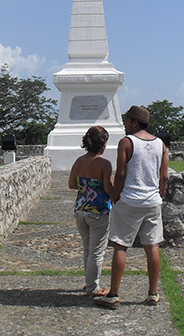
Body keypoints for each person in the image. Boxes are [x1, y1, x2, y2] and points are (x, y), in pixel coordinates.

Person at [94, 106, 168, 309]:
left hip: (130, 200)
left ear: (135, 122)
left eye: (127, 120)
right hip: (152, 201)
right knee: (151, 246)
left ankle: (114, 294)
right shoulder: (160, 144)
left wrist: (115, 196)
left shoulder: (127, 142)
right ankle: (153, 293)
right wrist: (158, 194)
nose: (125, 124)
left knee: (120, 246)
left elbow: (120, 174)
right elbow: (163, 175)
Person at [69, 126, 114, 297]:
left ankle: (89, 282)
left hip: (80, 210)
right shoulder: (104, 164)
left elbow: (72, 184)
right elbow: (109, 189)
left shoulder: (79, 161)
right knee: (97, 252)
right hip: (98, 211)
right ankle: (92, 288)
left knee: (87, 249)